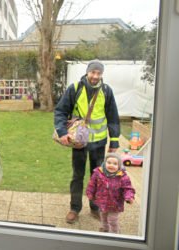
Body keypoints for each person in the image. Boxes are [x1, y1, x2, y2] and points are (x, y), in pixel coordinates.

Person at [54, 60, 120, 224]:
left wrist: (114, 141)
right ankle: (74, 209)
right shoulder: (75, 88)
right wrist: (62, 132)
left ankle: (95, 207)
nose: (95, 76)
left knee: (97, 176)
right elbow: (61, 111)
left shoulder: (106, 91)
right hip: (79, 142)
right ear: (87, 72)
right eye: (93, 72)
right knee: (78, 175)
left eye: (98, 73)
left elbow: (113, 117)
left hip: (98, 142)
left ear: (101, 74)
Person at [86, 153, 135, 233]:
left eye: (115, 164)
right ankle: (105, 229)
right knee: (103, 217)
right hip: (102, 201)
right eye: (109, 162)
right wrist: (90, 193)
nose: (111, 165)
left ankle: (114, 233)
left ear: (119, 166)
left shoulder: (122, 177)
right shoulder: (98, 173)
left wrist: (129, 197)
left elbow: (128, 188)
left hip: (115, 203)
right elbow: (92, 184)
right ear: (104, 163)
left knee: (112, 220)